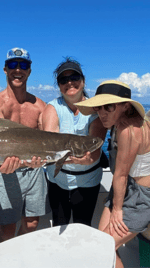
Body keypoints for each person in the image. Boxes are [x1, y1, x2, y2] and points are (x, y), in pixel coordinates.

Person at [76, 80, 150, 268]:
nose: (102, 112)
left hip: (140, 197)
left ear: (126, 106)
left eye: (109, 106)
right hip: (129, 188)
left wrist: (117, 210)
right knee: (102, 242)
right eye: (99, 107)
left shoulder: (128, 130)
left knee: (103, 246)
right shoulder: (121, 125)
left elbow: (121, 174)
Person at [0, 47, 51, 243]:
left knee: (32, 223)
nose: (18, 70)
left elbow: (45, 141)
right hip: (7, 172)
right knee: (6, 229)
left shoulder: (40, 105)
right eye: (13, 64)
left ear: (29, 70)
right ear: (5, 69)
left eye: (24, 65)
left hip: (35, 171)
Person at [42, 58, 107, 227]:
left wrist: (88, 159)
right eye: (63, 80)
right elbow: (50, 142)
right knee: (59, 225)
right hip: (57, 179)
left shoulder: (95, 109)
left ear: (83, 81)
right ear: (59, 85)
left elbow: (95, 149)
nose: (69, 82)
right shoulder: (52, 107)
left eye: (74, 77)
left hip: (87, 181)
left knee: (82, 226)